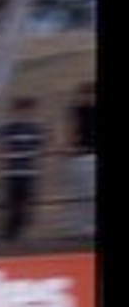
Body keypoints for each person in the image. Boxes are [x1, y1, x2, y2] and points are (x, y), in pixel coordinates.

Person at [0, 96, 46, 243]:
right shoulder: (7, 128)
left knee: (26, 201)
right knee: (12, 202)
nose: (24, 114)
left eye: (27, 111)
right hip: (12, 170)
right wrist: (2, 156)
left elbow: (42, 145)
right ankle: (9, 233)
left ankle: (17, 230)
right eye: (21, 111)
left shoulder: (36, 129)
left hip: (29, 171)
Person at [65, 82, 95, 238]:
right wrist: (71, 146)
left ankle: (88, 226)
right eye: (84, 94)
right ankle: (76, 227)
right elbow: (72, 130)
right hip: (81, 154)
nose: (87, 98)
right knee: (78, 192)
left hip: (89, 154)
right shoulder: (76, 110)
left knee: (89, 193)